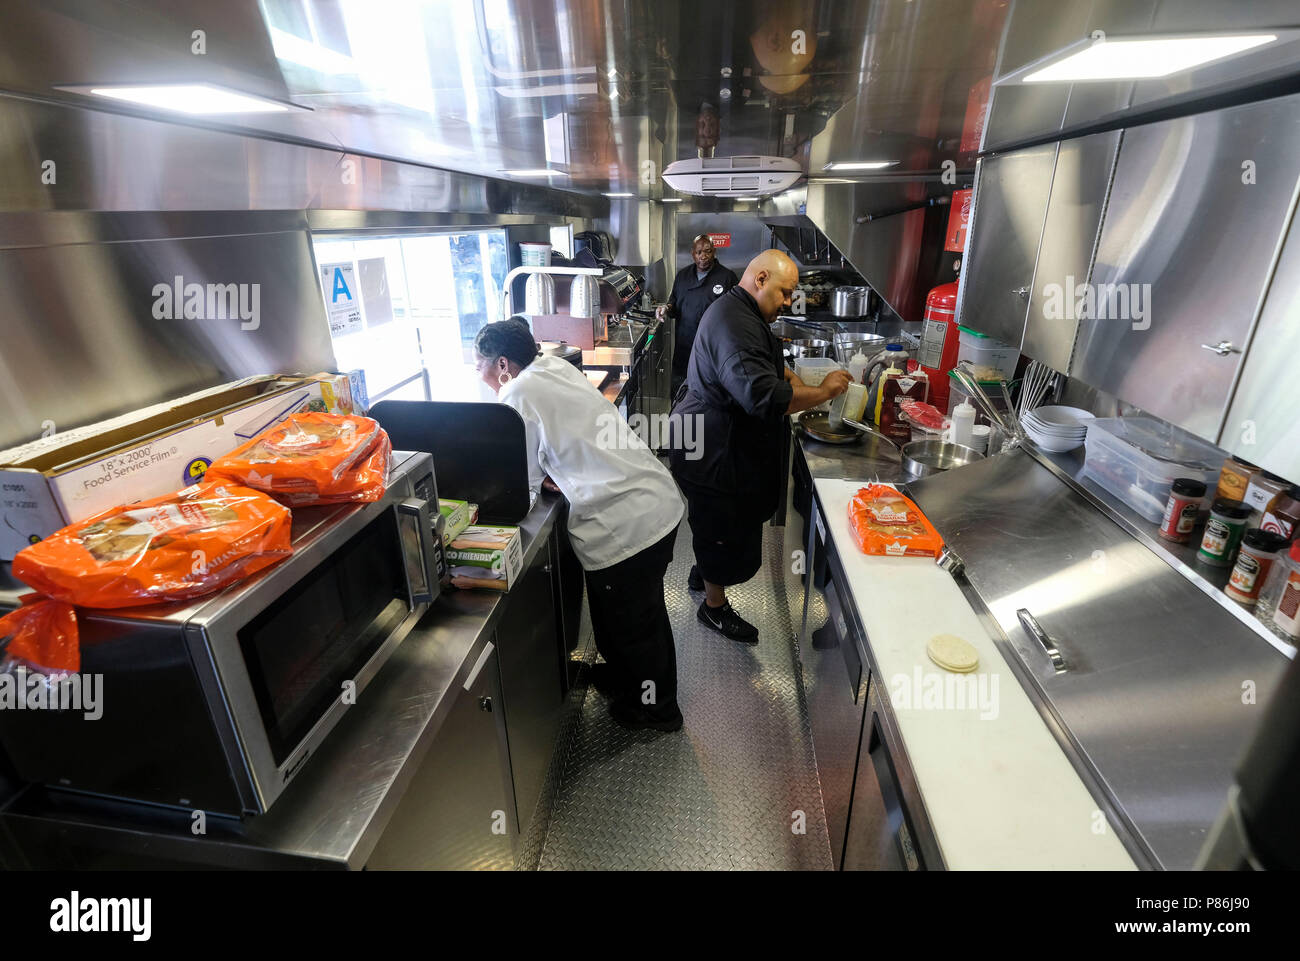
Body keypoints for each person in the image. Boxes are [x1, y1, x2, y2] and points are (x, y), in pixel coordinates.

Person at [474, 318, 686, 731]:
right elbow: (571, 435)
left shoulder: (517, 394)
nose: (476, 371)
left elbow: (525, 486)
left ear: (502, 364)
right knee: (635, 620)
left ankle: (658, 711)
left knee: (634, 630)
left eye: (479, 362)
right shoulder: (552, 367)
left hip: (628, 525)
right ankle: (631, 684)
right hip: (652, 502)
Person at [669, 250, 850, 641]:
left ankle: (704, 570)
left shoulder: (742, 309)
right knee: (720, 522)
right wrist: (822, 392)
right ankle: (713, 608)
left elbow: (770, 365)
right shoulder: (733, 322)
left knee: (714, 520)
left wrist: (800, 384)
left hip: (712, 437)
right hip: (711, 446)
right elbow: (762, 395)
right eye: (785, 293)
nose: (788, 302)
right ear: (761, 278)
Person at [657, 234, 738, 392]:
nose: (703, 256)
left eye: (707, 251)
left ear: (714, 252)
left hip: (713, 349)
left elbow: (737, 313)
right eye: (699, 252)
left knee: (709, 394)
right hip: (684, 348)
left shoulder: (727, 277)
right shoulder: (683, 276)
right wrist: (666, 309)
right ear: (692, 254)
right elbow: (673, 304)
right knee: (680, 392)